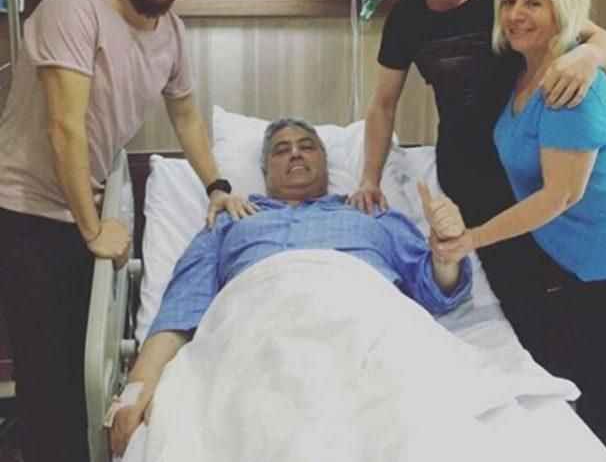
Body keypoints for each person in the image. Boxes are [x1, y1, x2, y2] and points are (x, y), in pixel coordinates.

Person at [0, 0, 254, 462]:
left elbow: (185, 116)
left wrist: (215, 185)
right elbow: (65, 127)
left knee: (76, 373)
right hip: (27, 210)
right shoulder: (74, 10)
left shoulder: (172, 33)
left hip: (80, 205)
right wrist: (93, 229)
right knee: (47, 378)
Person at [348, 0, 606, 366]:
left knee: (570, 304)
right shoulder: (407, 17)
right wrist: (369, 177)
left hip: (533, 166)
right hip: (470, 182)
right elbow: (383, 103)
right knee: (520, 312)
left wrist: (588, 57)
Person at [110, 117, 471, 456]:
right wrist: (138, 385)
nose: (295, 153)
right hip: (255, 326)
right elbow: (183, 305)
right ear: (265, 171)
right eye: (281, 150)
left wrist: (446, 248)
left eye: (307, 146)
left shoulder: (371, 212)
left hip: (364, 314)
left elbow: (435, 289)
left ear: (325, 162)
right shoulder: (229, 220)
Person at [428, 0, 606, 456]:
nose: (516, 14)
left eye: (533, 3)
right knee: (587, 397)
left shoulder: (571, 87)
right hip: (572, 263)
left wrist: (471, 239)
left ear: (562, 9)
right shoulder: (523, 70)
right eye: (509, 2)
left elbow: (559, 195)